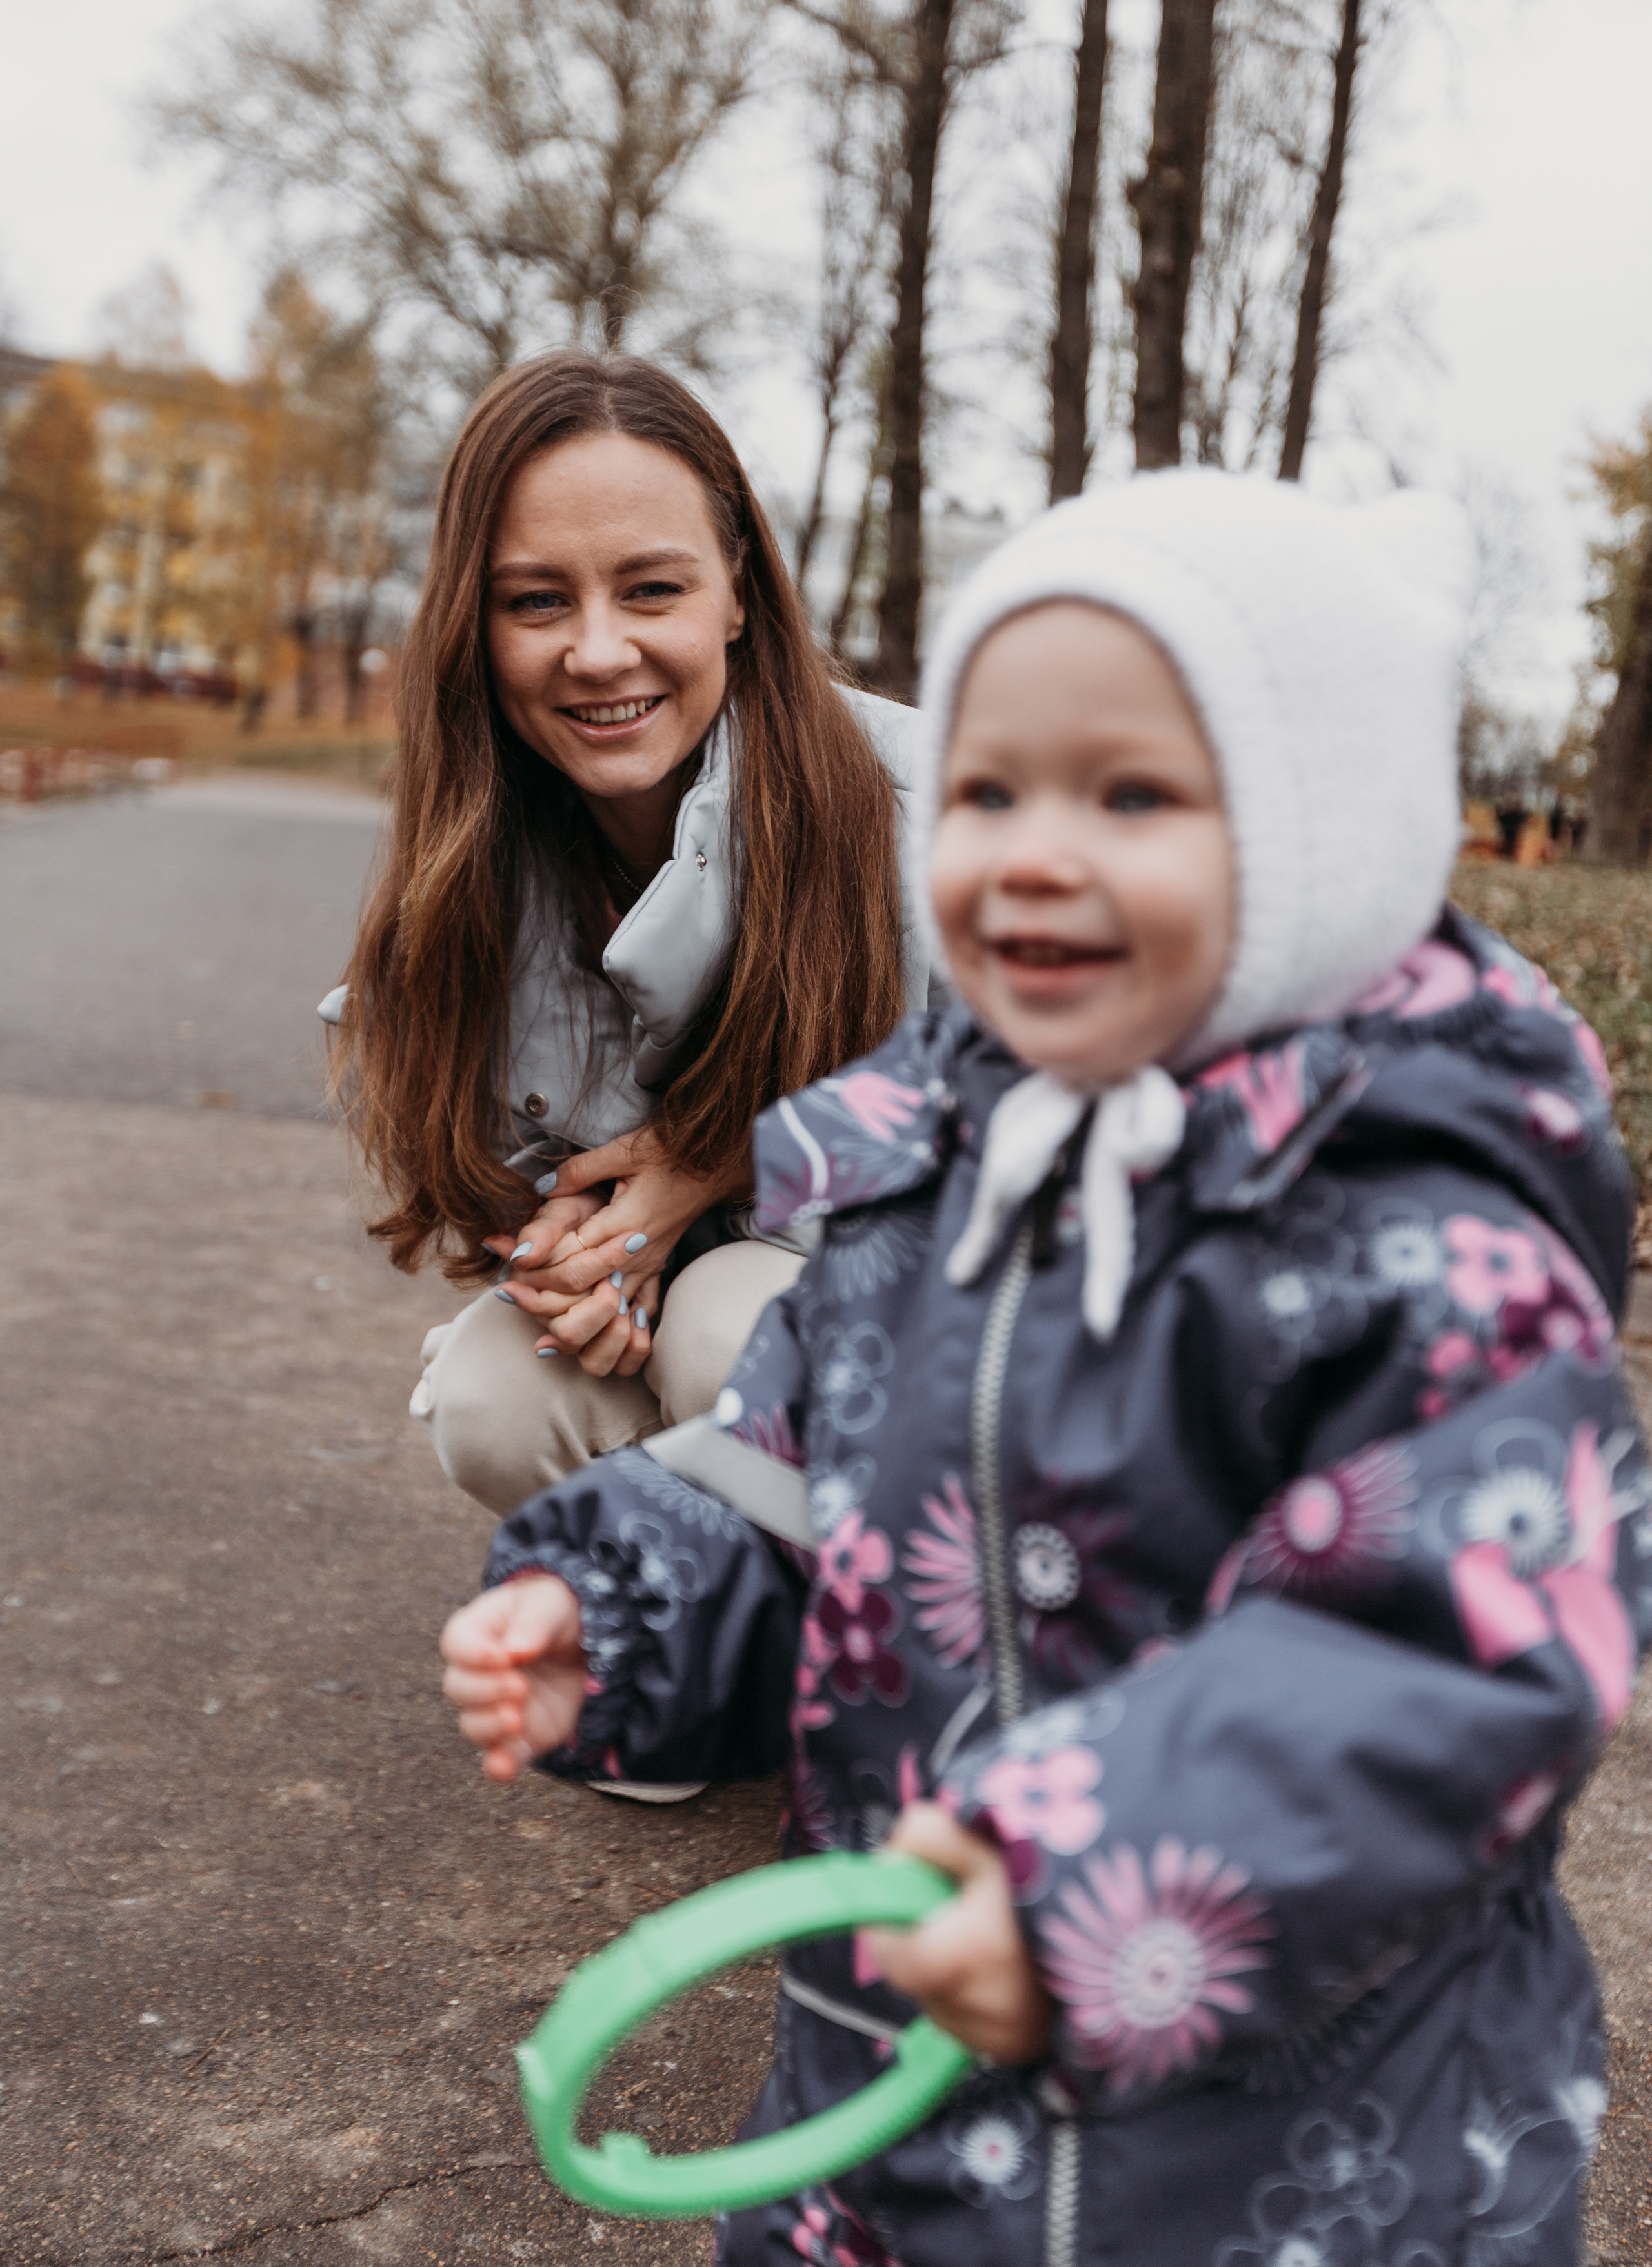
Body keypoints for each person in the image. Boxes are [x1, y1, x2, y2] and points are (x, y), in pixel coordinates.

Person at [441, 471, 1650, 2264]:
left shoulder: (1420, 1238)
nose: (1030, 849)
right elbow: (785, 1470)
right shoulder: (935, 1171)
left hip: (1303, 2170)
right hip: (902, 2121)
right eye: (991, 788)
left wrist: (1091, 1878)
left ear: (1326, 833)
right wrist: (618, 1604)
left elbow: (1441, 1650)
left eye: (1135, 795)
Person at [328, 352, 929, 1549]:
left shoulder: (931, 805)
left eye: (651, 589)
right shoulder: (477, 846)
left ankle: (878, 1653)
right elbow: (487, 1151)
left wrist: (718, 1158)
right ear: (472, 619)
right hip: (678, 1296)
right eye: (537, 601)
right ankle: (700, 1623)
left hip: (930, 1324)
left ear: (739, 592)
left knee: (731, 1336)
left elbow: (1047, 1136)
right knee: (498, 1396)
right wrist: (568, 1253)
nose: (597, 654)